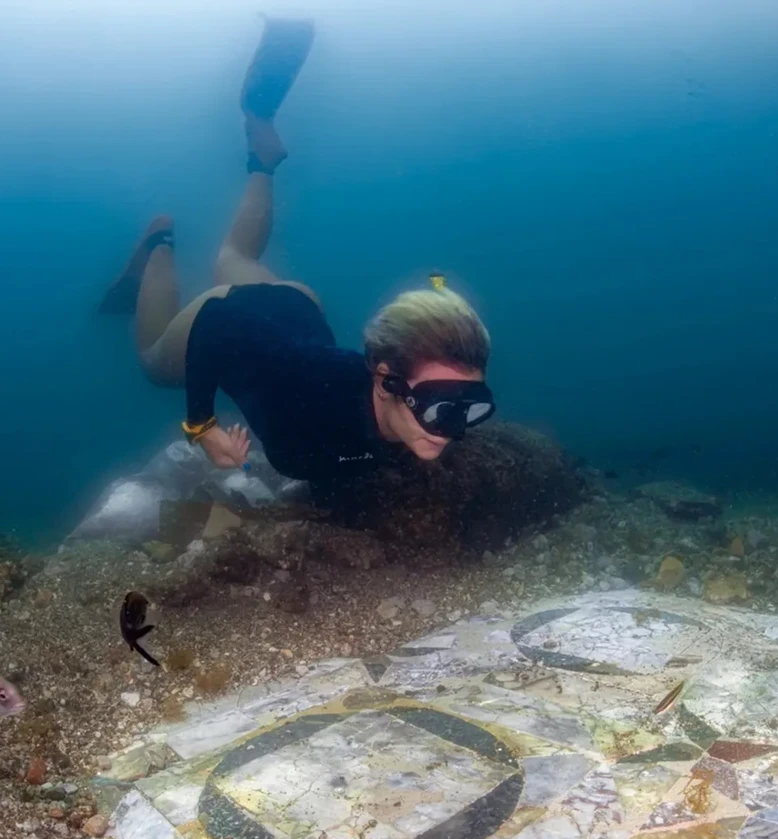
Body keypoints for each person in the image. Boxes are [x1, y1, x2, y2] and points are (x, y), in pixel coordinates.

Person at [99, 18, 496, 510]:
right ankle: (160, 241)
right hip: (231, 314)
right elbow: (216, 324)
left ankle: (262, 158)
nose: (453, 429)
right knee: (154, 364)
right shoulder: (306, 392)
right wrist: (201, 426)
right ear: (387, 380)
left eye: (469, 408)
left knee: (233, 256)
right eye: (441, 405)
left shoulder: (395, 409)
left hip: (297, 308)